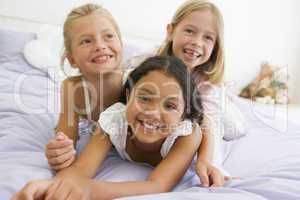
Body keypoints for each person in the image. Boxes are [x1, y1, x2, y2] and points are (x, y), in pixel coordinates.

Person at [12, 55, 204, 200]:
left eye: (170, 106)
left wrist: (87, 190)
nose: (153, 113)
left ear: (183, 113)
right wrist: (49, 187)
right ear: (128, 96)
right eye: (144, 98)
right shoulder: (114, 120)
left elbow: (158, 185)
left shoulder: (187, 134)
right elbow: (80, 170)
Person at [157, 0, 246, 185]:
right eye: (189, 31)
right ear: (170, 31)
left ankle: (230, 98)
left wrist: (209, 163)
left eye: (208, 38)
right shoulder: (150, 64)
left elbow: (208, 125)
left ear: (215, 47)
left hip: (223, 115)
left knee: (230, 127)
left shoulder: (206, 85)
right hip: (189, 108)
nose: (197, 42)